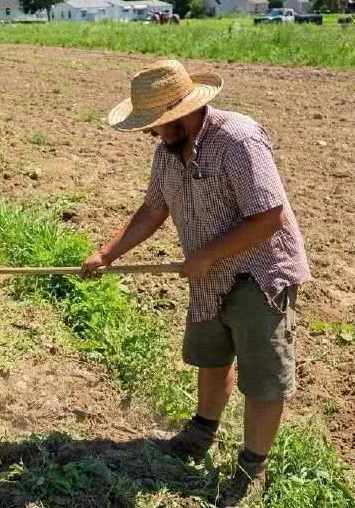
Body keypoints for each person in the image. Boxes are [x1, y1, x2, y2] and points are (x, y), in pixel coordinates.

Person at [80, 60, 311, 507]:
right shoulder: (168, 151)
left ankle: (251, 469)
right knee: (212, 355)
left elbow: (269, 217)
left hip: (259, 274)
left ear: (184, 113)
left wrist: (206, 254)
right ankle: (200, 434)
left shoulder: (237, 140)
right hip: (208, 277)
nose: (153, 134)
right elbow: (153, 209)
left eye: (159, 125)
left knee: (263, 377)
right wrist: (108, 253)